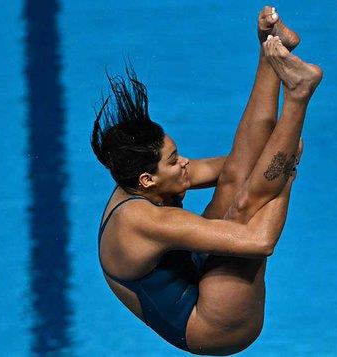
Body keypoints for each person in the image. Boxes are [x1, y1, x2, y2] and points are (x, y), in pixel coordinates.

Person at [91, 6, 322, 355]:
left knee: (236, 176)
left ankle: (271, 53)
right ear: (147, 179)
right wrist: (286, 171)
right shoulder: (144, 221)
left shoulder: (143, 182)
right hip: (210, 327)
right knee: (245, 206)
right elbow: (260, 242)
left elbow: (236, 166)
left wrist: (273, 155)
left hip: (197, 272)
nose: (185, 162)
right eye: (173, 161)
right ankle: (298, 95)